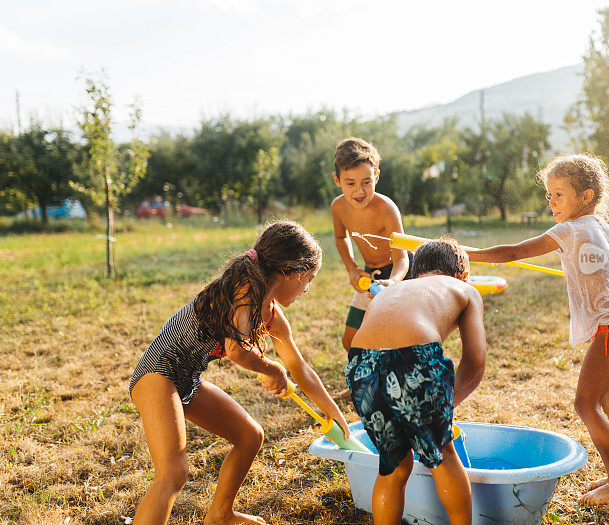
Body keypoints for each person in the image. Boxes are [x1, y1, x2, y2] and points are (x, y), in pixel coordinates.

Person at [129, 220, 350, 525]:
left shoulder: (271, 312)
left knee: (249, 436)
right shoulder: (244, 290)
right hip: (158, 373)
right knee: (173, 472)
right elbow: (236, 350)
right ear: (288, 271)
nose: (307, 289)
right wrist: (272, 369)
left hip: (186, 379)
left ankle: (220, 515)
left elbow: (299, 368)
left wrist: (333, 411)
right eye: (308, 278)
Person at [466, 154, 609, 506]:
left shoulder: (571, 229)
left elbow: (514, 251)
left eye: (559, 195)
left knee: (586, 405)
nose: (551, 203)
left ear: (587, 196)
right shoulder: (603, 228)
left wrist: (468, 252)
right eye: (549, 195)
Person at [346, 238, 486, 525]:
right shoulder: (465, 289)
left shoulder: (395, 288)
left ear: (416, 272)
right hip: (414, 360)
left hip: (360, 366)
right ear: (463, 274)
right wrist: (447, 404)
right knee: (442, 454)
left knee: (393, 467)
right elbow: (475, 362)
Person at [331, 137, 411, 352]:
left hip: (400, 275)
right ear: (337, 180)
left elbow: (402, 257)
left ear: (376, 175)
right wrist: (352, 269)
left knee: (396, 341)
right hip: (369, 275)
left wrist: (392, 282)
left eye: (367, 182)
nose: (359, 191)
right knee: (350, 342)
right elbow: (340, 238)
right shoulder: (338, 207)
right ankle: (361, 384)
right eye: (350, 183)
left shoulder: (386, 209)